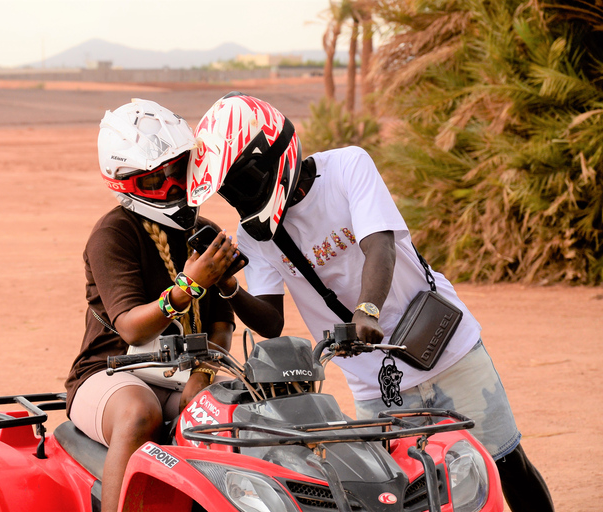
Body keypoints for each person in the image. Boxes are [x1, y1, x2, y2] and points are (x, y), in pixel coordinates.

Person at [187, 92, 554, 512]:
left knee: (503, 461)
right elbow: (270, 321)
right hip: (374, 379)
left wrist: (368, 310)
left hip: (444, 348)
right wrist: (227, 286)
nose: (239, 197)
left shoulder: (347, 167)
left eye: (242, 182)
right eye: (229, 191)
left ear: (270, 154)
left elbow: (380, 245)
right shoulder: (258, 235)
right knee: (404, 491)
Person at [65, 99, 240, 512]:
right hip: (108, 373)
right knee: (138, 413)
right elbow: (131, 328)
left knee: (242, 412)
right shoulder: (113, 234)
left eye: (177, 172)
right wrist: (186, 286)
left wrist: (205, 370)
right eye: (152, 182)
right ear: (124, 184)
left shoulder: (204, 231)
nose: (172, 189)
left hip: (182, 375)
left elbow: (221, 324)